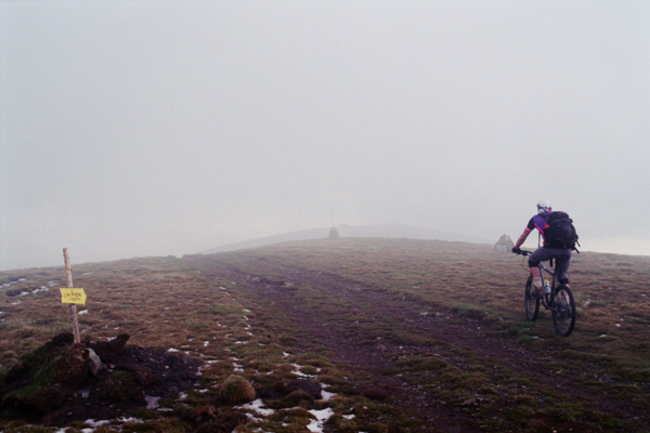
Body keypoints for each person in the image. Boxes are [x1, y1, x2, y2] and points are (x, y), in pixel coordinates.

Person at [512, 200, 572, 297]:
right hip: (567, 249)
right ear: (550, 209)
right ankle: (567, 304)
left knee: (532, 260)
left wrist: (516, 247)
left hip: (550, 249)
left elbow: (523, 237)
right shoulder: (561, 217)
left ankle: (538, 288)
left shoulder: (535, 219)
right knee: (562, 277)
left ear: (538, 209)